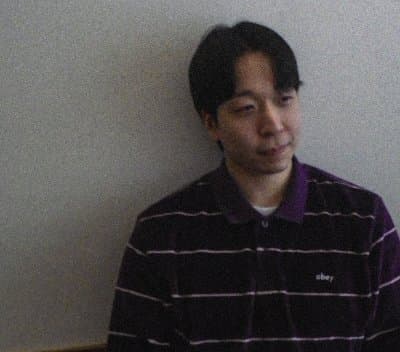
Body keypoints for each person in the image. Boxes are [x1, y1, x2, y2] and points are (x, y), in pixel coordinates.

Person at [107, 21, 400, 351]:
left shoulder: (364, 221)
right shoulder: (160, 237)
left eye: (284, 99)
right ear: (211, 123)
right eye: (246, 108)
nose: (273, 124)